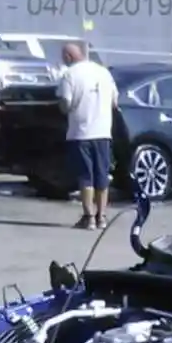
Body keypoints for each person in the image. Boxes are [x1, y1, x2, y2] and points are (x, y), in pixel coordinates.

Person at [57, 42, 118, 229]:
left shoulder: (69, 75)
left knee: (85, 176)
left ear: (68, 57)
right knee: (102, 174)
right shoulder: (104, 73)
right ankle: (102, 217)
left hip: (80, 133)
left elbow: (65, 103)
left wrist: (64, 109)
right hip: (103, 132)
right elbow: (115, 101)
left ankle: (89, 216)